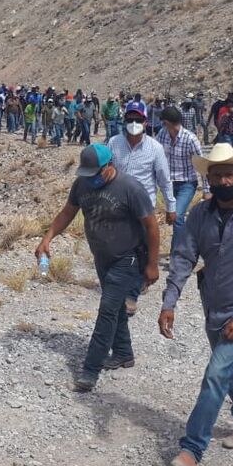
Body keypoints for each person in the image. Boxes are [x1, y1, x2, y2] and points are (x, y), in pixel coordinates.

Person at [159, 144, 233, 466]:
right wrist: (169, 303)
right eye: (216, 175)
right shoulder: (198, 214)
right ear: (208, 179)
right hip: (212, 307)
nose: (223, 180)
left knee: (215, 375)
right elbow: (183, 259)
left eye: (229, 174)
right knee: (230, 369)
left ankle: (192, 449)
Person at [36, 144, 160, 391]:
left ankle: (90, 370)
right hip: (102, 256)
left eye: (95, 173)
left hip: (128, 258)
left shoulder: (130, 188)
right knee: (115, 308)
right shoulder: (82, 184)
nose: (91, 179)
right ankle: (124, 353)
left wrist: (153, 265)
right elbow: (67, 213)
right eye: (88, 174)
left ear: (109, 166)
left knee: (107, 310)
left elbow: (152, 227)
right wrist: (47, 238)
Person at [107, 103, 178, 222]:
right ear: (125, 121)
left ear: (145, 122)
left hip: (144, 208)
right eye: (130, 120)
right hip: (117, 205)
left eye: (138, 120)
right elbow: (107, 171)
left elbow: (164, 180)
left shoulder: (155, 148)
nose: (134, 124)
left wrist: (171, 207)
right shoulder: (114, 143)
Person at [158, 107, 209, 230]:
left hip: (186, 183)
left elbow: (201, 164)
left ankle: (178, 249)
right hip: (168, 184)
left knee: (178, 215)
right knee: (174, 216)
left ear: (167, 123)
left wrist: (207, 189)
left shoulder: (190, 139)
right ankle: (182, 245)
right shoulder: (162, 134)